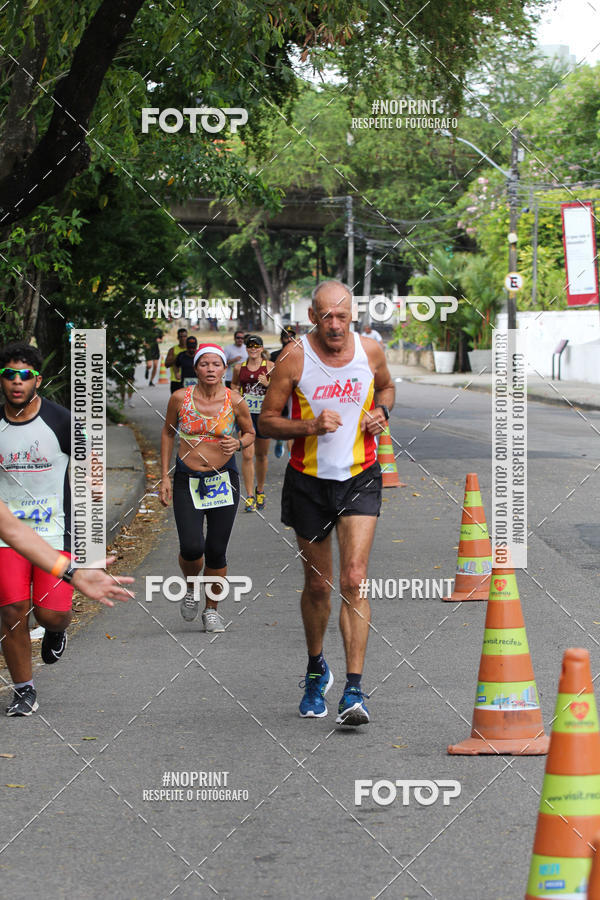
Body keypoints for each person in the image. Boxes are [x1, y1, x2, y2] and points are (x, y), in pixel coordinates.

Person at [259, 281, 394, 727]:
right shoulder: (294, 357)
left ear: (352, 315)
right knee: (319, 586)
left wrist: (382, 413)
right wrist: (309, 427)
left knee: (354, 579)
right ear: (312, 317)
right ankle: (317, 669)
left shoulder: (370, 350)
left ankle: (354, 690)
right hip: (309, 483)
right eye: (326, 316)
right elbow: (266, 422)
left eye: (342, 316)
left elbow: (387, 389)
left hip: (360, 477)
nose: (335, 325)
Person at [0, 342, 130, 717]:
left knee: (49, 614)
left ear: (38, 380)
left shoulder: (62, 421)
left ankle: (57, 630)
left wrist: (90, 537)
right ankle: (23, 689)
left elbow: (92, 472)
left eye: (25, 375)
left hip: (56, 530)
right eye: (9, 374)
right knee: (11, 610)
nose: (17, 382)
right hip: (6, 534)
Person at [160, 343, 254, 632]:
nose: (210, 369)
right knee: (191, 547)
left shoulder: (235, 401)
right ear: (196, 368)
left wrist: (238, 443)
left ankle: (211, 610)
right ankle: (191, 588)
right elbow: (168, 434)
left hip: (223, 480)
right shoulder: (180, 398)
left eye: (216, 364)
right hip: (187, 479)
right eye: (204, 364)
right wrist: (164, 476)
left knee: (215, 550)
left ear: (224, 369)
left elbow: (250, 432)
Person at [232, 335, 274, 513]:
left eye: (257, 346)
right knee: (247, 455)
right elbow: (234, 385)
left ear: (262, 348)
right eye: (250, 346)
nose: (253, 349)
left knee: (261, 456)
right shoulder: (238, 367)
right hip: (245, 416)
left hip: (263, 416)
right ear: (246, 348)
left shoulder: (270, 366)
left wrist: (268, 384)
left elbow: (280, 389)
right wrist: (236, 393)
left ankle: (260, 490)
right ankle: (249, 496)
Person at [270, 326, 297, 459]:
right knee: (281, 421)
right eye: (286, 337)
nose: (289, 339)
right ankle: (280, 441)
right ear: (281, 339)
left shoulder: (301, 354)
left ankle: (292, 456)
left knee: (292, 422)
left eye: (292, 337)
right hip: (279, 393)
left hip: (295, 393)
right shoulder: (274, 355)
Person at [165, 327, 188, 394]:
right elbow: (166, 364)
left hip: (188, 380)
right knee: (176, 400)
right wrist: (177, 358)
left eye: (184, 336)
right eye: (181, 337)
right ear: (178, 338)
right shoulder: (173, 350)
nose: (183, 339)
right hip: (176, 380)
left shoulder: (191, 349)